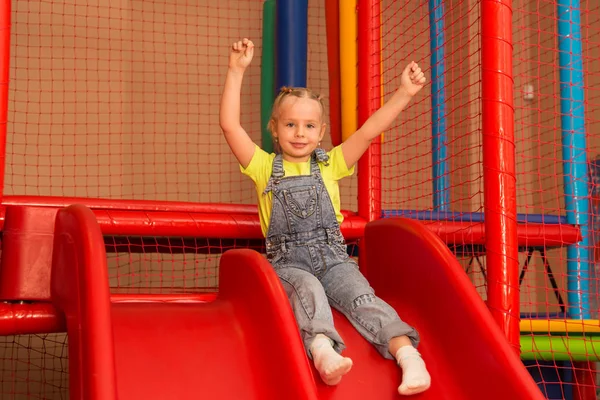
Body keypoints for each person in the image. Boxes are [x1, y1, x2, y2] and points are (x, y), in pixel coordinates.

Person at [220, 38, 430, 396]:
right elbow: (230, 126)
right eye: (290, 125)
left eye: (309, 126)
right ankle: (322, 350)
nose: (300, 133)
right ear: (275, 129)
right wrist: (236, 70)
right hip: (289, 264)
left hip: (334, 259)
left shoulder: (331, 165)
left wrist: (404, 93)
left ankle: (407, 354)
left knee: (361, 296)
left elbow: (369, 131)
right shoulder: (263, 167)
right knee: (309, 292)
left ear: (321, 133)